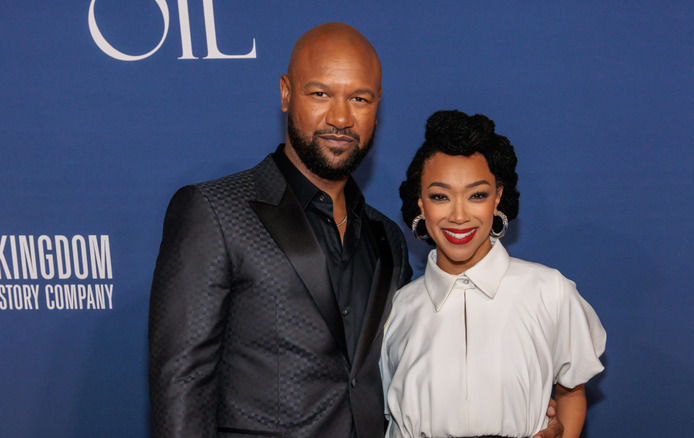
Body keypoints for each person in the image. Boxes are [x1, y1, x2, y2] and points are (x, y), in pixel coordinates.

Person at [149, 23, 564, 438]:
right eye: (321, 93)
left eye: (359, 98)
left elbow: (413, 368)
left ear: (377, 106)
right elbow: (181, 382)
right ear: (286, 93)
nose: (341, 117)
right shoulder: (217, 211)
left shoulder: (389, 239)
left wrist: (520, 405)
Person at [381, 110, 606, 438]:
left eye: (477, 195)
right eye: (440, 196)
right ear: (421, 203)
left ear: (497, 196)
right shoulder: (401, 308)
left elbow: (572, 392)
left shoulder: (548, 291)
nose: (459, 215)